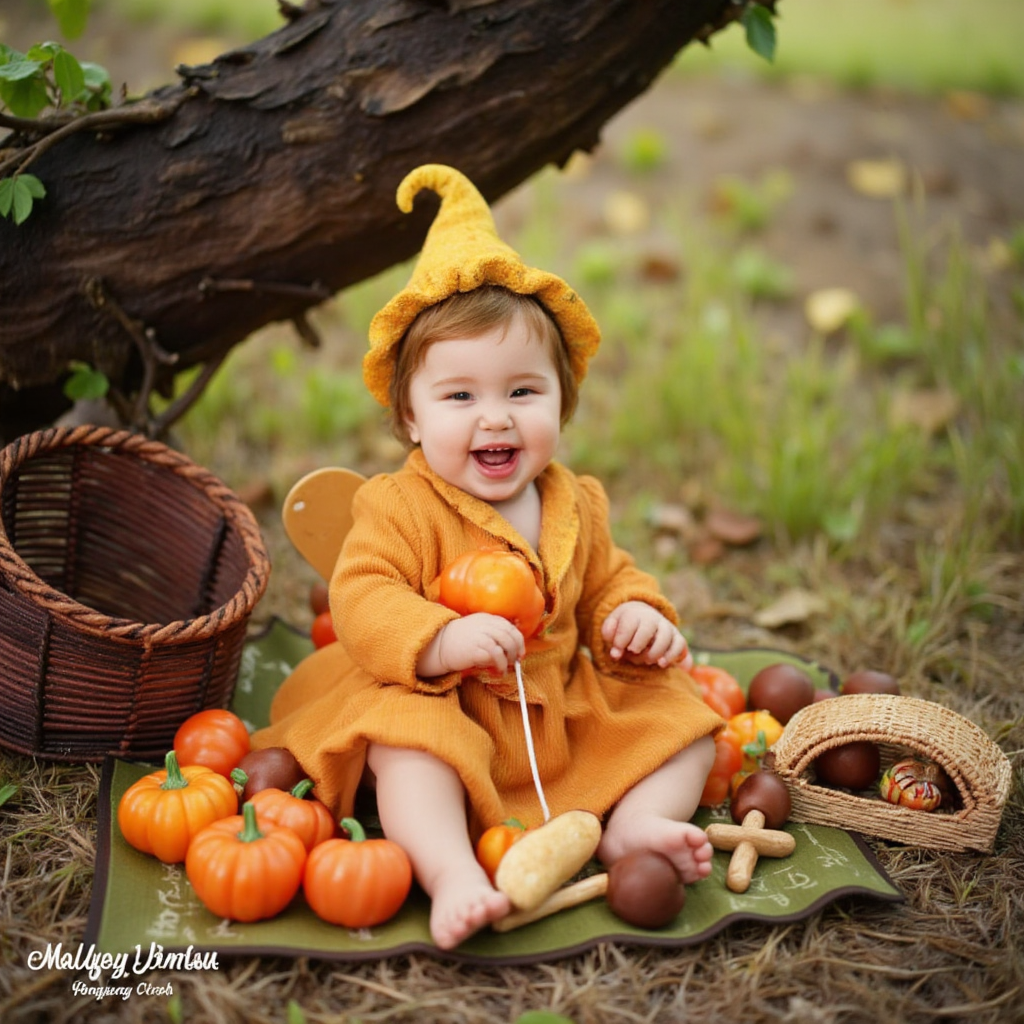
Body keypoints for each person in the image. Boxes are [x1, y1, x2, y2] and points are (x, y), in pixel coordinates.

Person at [251, 164, 723, 949]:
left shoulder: (577, 501)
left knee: (687, 720)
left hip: (561, 708)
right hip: (446, 702)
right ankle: (450, 872)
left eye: (523, 393)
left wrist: (635, 614)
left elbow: (609, 578)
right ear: (409, 415)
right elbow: (362, 594)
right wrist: (437, 639)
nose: (494, 420)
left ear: (561, 402)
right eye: (460, 397)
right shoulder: (396, 505)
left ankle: (634, 827)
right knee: (405, 746)